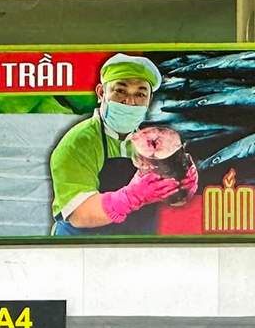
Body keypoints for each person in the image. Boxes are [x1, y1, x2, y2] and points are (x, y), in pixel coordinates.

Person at [49, 53, 197, 236]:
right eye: (120, 91)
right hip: (84, 249)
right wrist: (130, 197)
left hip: (135, 248)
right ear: (101, 93)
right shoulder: (78, 143)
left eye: (140, 94)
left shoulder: (148, 143)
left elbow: (172, 201)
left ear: (149, 101)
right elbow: (79, 215)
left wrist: (181, 187)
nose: (130, 101)